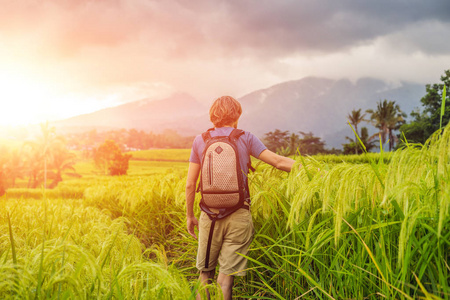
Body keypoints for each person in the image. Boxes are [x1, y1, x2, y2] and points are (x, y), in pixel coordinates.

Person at [186, 95, 295, 300]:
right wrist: (311, 169)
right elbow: (278, 162)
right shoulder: (245, 137)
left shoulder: (200, 140)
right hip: (239, 215)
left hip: (209, 216)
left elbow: (190, 183)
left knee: (205, 275)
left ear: (212, 117)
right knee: (226, 280)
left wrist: (189, 215)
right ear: (237, 116)